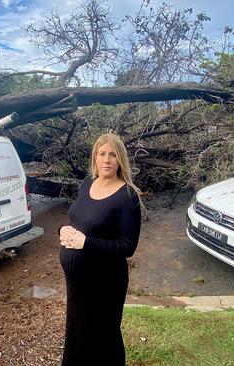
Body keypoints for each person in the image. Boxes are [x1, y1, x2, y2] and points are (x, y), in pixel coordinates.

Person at [58, 133, 142, 366]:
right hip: (77, 281)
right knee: (77, 331)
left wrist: (86, 243)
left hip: (105, 282)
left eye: (113, 155)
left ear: (120, 160)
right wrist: (62, 230)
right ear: (95, 157)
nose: (107, 160)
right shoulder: (88, 183)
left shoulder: (127, 196)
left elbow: (128, 246)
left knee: (103, 336)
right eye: (102, 154)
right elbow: (79, 219)